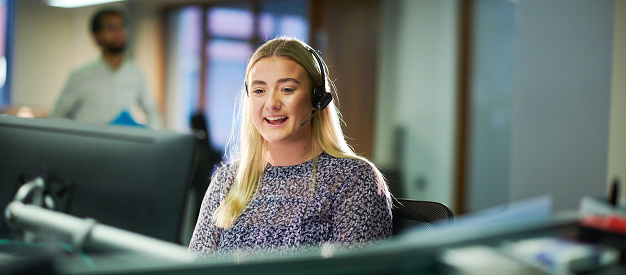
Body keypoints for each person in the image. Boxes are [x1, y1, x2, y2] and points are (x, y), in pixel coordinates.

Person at [188, 37, 392, 258]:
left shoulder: (352, 180)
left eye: (286, 89)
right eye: (259, 91)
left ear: (317, 98)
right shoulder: (228, 181)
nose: (271, 103)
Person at [50, 8, 162, 129]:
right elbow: (57, 116)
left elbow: (153, 113)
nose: (118, 33)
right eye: (111, 28)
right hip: (90, 144)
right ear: (97, 36)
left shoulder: (136, 74)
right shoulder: (80, 76)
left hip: (123, 144)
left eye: (122, 27)